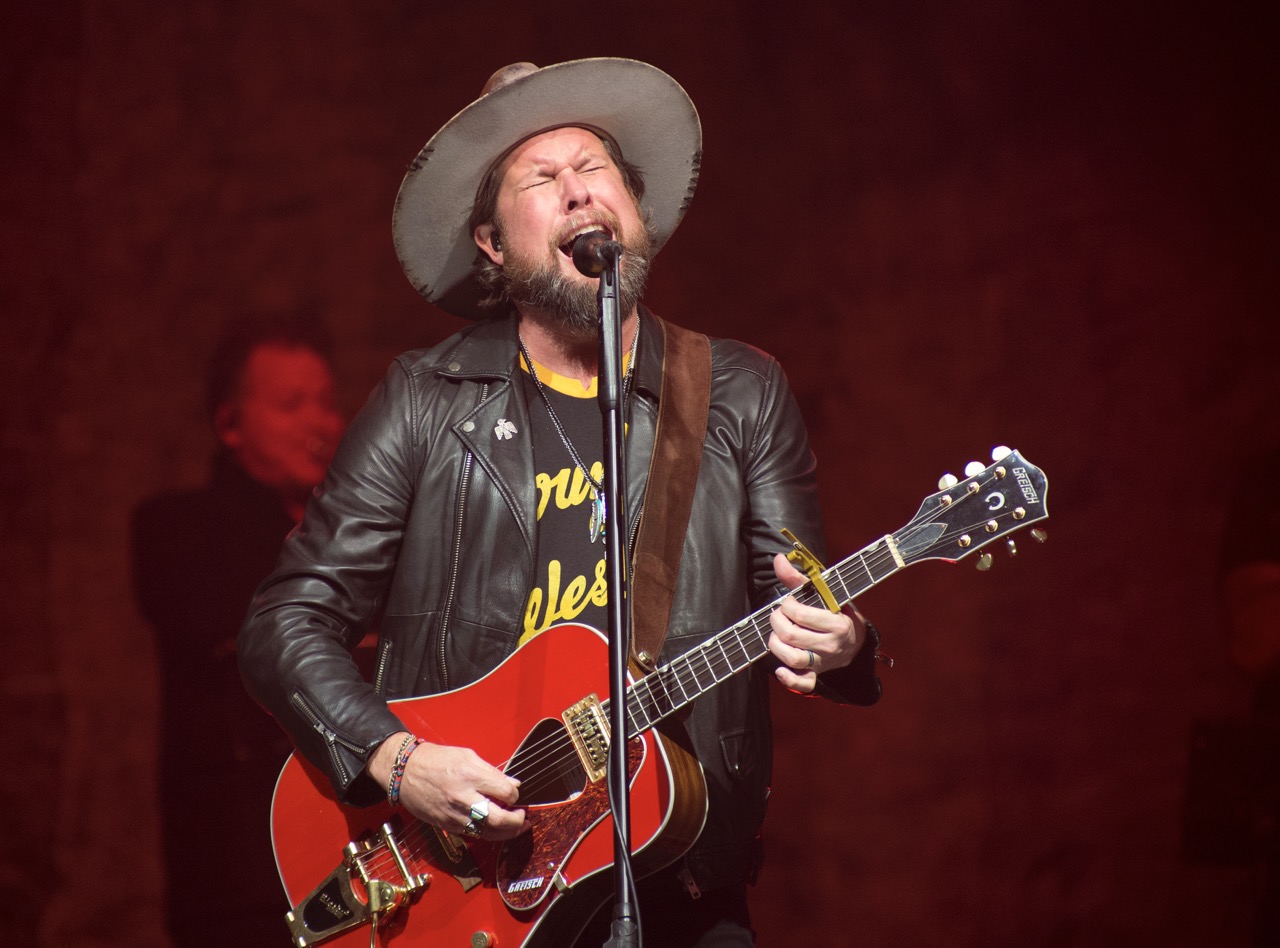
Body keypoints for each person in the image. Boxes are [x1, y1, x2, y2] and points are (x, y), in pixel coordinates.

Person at [238, 59, 883, 947]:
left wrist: (842, 642)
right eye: (541, 179)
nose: (578, 191)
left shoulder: (737, 392)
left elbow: (801, 598)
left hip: (679, 879)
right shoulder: (426, 401)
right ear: (493, 244)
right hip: (466, 880)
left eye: (595, 167)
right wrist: (398, 760)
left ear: (634, 210)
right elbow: (286, 622)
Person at [132, 314, 345, 947]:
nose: (319, 423)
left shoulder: (344, 527)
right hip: (237, 873)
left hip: (346, 849)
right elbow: (245, 625)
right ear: (230, 424)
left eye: (326, 403)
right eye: (291, 405)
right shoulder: (176, 528)